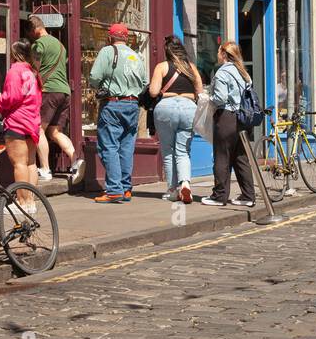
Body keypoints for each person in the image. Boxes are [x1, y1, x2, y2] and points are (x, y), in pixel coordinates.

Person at [87, 23, 149, 204]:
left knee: (109, 146)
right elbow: (144, 81)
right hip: (133, 105)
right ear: (126, 37)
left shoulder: (107, 51)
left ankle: (114, 189)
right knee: (126, 147)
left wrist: (101, 86)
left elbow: (94, 77)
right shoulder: (136, 56)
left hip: (113, 104)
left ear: (110, 37)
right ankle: (125, 188)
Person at [27, 17, 85, 185]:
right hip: (64, 91)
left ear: (34, 30)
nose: (30, 36)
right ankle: (76, 160)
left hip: (49, 90)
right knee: (55, 132)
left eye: (30, 32)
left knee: (38, 130)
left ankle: (45, 169)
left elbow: (35, 70)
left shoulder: (39, 45)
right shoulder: (60, 45)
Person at [0, 38, 42, 215]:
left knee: (19, 163)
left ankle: (21, 202)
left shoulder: (15, 70)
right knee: (31, 163)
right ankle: (31, 202)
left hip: (17, 122)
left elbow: (12, 97)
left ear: (14, 55)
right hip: (32, 121)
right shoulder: (32, 72)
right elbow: (27, 96)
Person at [148, 35, 203, 205]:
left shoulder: (162, 67)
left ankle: (172, 190)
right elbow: (199, 91)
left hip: (166, 108)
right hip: (188, 108)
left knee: (168, 150)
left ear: (167, 51)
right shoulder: (191, 68)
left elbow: (153, 92)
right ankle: (185, 184)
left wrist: (166, 92)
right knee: (183, 150)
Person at [204, 41, 258, 208]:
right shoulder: (243, 73)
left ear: (224, 54)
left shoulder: (222, 73)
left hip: (226, 117)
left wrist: (207, 98)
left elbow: (220, 98)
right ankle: (248, 196)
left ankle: (219, 196)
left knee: (222, 156)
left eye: (219, 52)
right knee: (240, 158)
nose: (217, 55)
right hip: (242, 119)